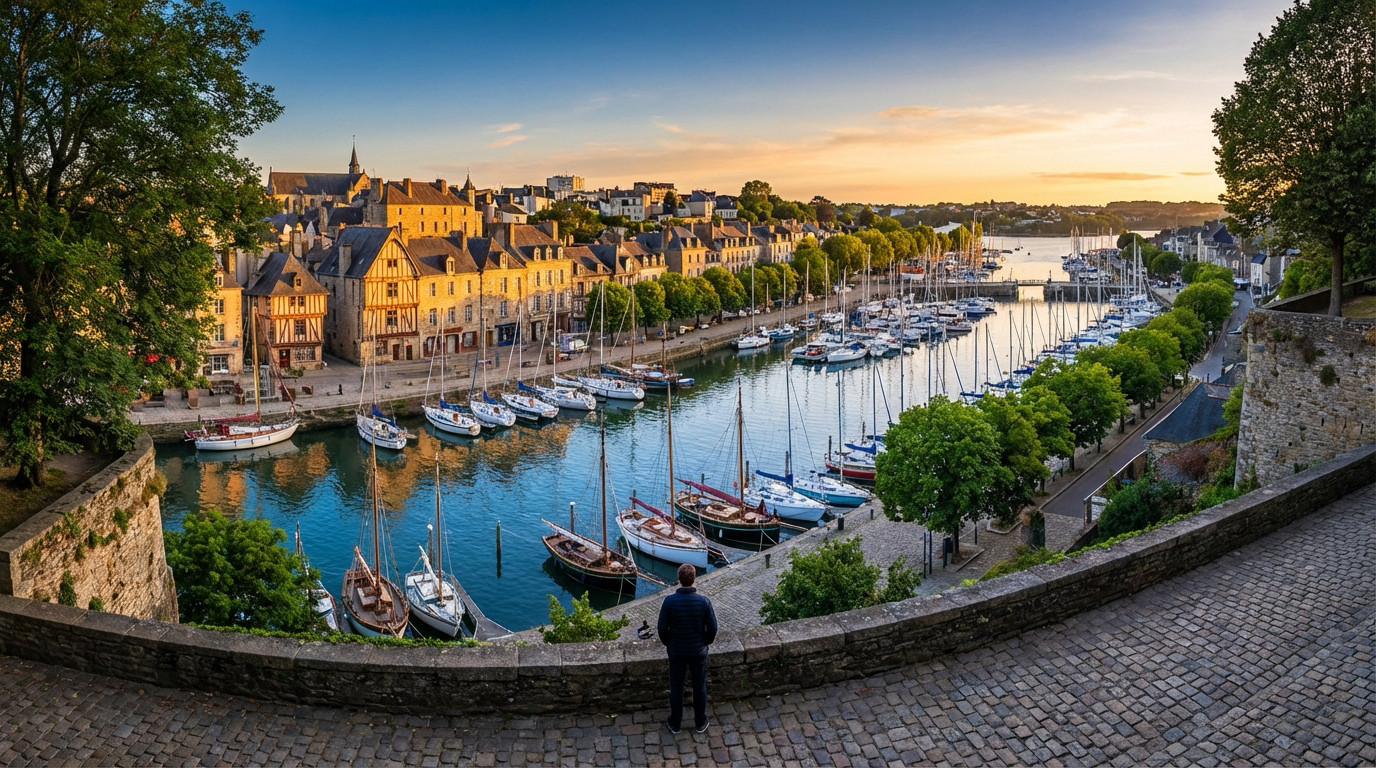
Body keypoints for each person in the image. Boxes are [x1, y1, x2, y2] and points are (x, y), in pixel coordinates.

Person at [657, 563, 717, 735]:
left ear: (679, 579)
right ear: (694, 579)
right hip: (698, 650)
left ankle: (675, 724)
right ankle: (700, 722)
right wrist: (704, 643)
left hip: (676, 650)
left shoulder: (669, 602)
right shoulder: (704, 602)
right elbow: (712, 629)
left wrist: (669, 644)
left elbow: (662, 629)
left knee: (676, 686)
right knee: (699, 686)